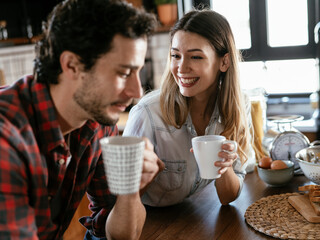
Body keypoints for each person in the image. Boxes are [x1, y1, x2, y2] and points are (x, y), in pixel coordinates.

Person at [0, 0, 163, 239]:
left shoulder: (97, 122)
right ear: (72, 65)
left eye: (137, 72)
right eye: (124, 73)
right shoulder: (7, 140)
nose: (137, 91)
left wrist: (130, 190)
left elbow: (115, 233)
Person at [123, 9, 256, 207]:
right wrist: (141, 180)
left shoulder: (237, 106)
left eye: (195, 57)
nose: (181, 68)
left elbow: (227, 197)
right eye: (176, 55)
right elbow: (117, 200)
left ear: (224, 62)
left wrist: (225, 168)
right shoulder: (148, 114)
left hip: (185, 220)